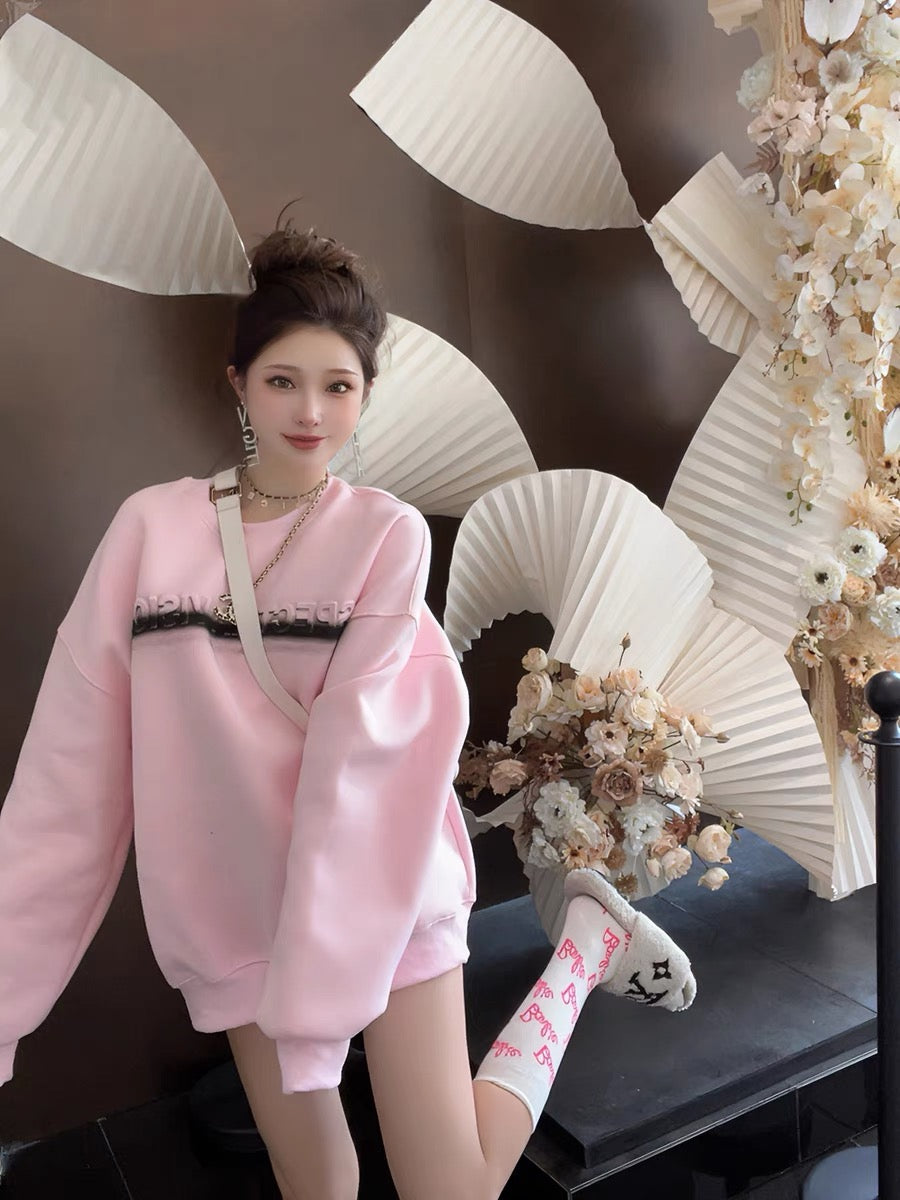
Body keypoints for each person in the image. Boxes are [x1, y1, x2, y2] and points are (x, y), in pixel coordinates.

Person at [0, 206, 696, 1200]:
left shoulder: (382, 534)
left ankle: (583, 952)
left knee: (450, 1186)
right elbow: (70, 772)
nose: (311, 411)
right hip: (235, 910)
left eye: (339, 385)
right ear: (238, 384)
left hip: (379, 880)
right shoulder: (148, 532)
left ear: (366, 395)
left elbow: (359, 766)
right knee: (314, 1178)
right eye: (283, 380)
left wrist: (318, 998)